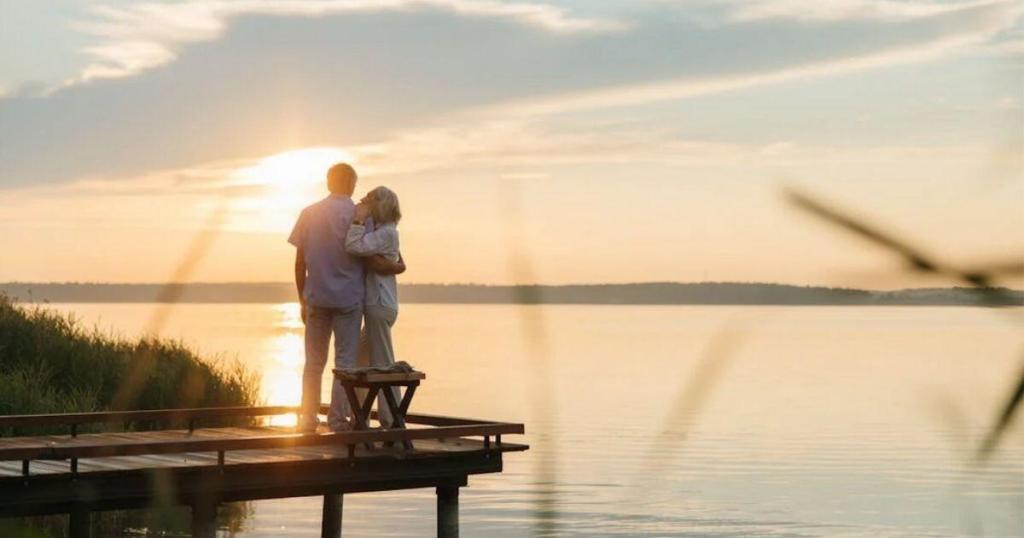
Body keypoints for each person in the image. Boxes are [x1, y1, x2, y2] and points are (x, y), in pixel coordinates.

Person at [288, 164, 404, 433]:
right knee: (346, 365)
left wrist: (302, 300)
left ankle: (307, 419)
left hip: (316, 297)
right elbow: (375, 259)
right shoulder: (361, 215)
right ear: (352, 183)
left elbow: (299, 262)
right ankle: (338, 421)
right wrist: (397, 267)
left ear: (329, 182)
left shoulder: (308, 213)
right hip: (349, 300)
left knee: (313, 363)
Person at [346, 186, 403, 427]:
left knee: (383, 366)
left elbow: (353, 246)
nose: (365, 201)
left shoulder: (387, 233)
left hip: (379, 304)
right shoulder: (385, 232)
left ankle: (392, 422)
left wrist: (358, 219)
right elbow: (397, 262)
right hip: (381, 304)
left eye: (370, 199)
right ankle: (360, 417)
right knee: (362, 362)